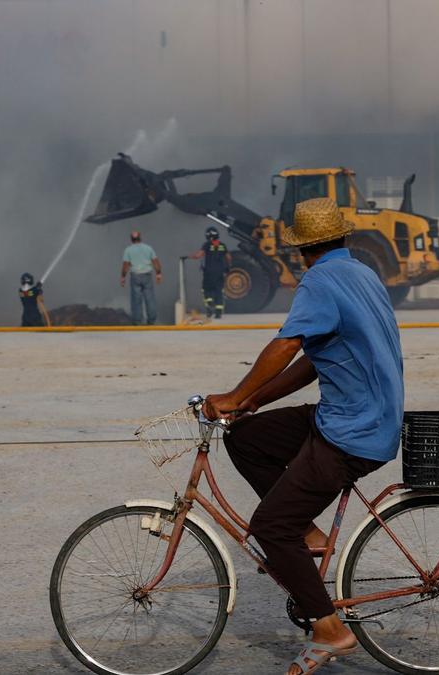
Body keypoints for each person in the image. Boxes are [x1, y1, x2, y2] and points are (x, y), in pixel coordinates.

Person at [204, 198, 404, 675]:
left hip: (352, 431)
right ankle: (306, 530)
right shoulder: (361, 275)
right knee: (246, 437)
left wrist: (233, 393)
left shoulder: (320, 281)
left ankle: (329, 630)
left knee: (270, 526)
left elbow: (287, 344)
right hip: (360, 414)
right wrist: (254, 402)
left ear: (300, 250)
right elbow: (314, 360)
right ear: (341, 239)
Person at [188, 225, 231, 319]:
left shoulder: (207, 244)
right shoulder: (222, 245)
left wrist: (190, 256)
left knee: (206, 289)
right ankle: (218, 312)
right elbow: (228, 257)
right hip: (220, 273)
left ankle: (210, 304)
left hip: (209, 272)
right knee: (219, 291)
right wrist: (227, 268)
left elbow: (199, 255)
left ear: (208, 236)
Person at [120, 230, 161, 325]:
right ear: (140, 238)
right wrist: (158, 273)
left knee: (136, 300)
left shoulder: (128, 250)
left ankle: (137, 321)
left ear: (131, 239)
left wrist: (123, 277)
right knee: (150, 298)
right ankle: (151, 320)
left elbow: (125, 265)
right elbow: (155, 261)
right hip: (147, 275)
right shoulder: (148, 248)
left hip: (135, 276)